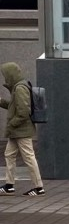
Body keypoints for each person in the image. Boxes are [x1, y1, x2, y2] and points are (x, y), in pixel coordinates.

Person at [0, 62, 43, 196]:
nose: (5, 78)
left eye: (5, 75)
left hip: (21, 130)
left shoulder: (20, 88)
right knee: (9, 155)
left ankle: (38, 187)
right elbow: (14, 107)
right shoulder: (17, 87)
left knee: (29, 157)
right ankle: (9, 185)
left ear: (10, 74)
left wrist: (12, 124)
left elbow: (24, 112)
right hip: (17, 131)